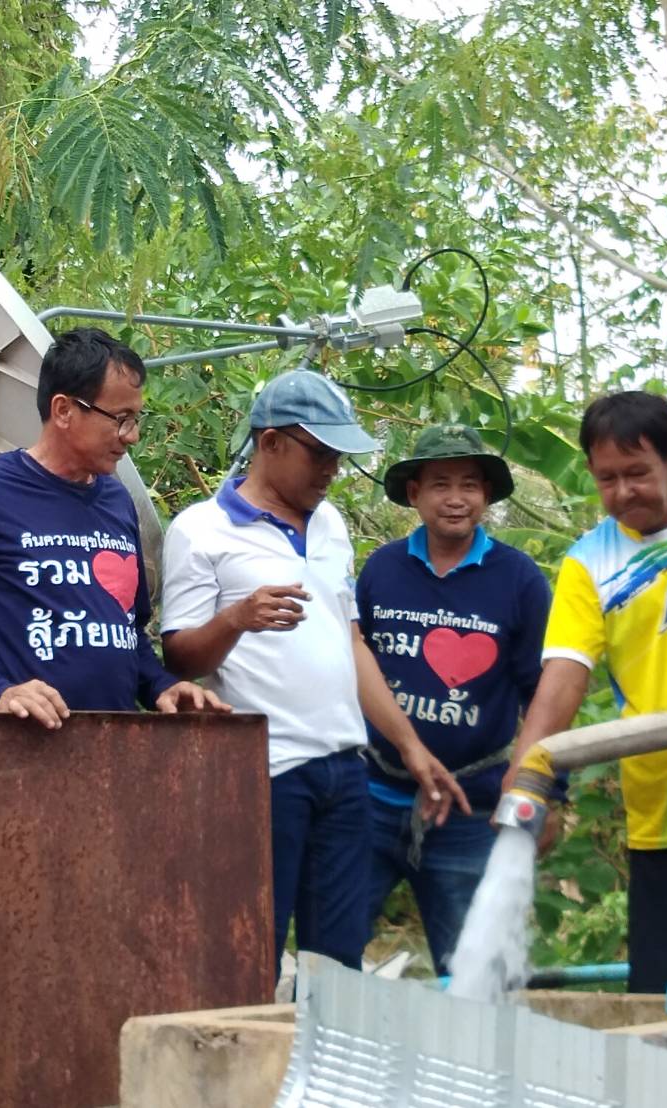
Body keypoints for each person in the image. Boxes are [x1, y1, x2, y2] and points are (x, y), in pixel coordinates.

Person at [159, 370, 468, 976]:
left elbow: (350, 643)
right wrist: (237, 618)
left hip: (344, 768)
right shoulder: (200, 530)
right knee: (253, 948)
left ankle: (324, 1043)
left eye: (338, 457)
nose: (331, 470)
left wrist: (410, 746)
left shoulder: (330, 525)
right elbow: (180, 659)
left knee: (337, 962)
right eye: (319, 453)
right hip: (263, 768)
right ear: (270, 442)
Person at [502, 390, 667, 993]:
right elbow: (563, 677)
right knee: (664, 1003)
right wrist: (525, 773)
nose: (622, 493)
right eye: (606, 479)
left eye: (637, 473)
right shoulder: (590, 563)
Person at [0, 328, 222, 724]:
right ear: (64, 410)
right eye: (121, 419)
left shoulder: (117, 501)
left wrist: (161, 686)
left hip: (116, 745)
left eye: (136, 419)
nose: (133, 436)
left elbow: (127, 630)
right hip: (21, 745)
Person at [357, 424, 552, 976]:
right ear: (414, 492)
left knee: (473, 972)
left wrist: (546, 790)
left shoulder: (519, 579)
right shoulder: (382, 570)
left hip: (472, 811)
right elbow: (354, 664)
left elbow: (543, 692)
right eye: (440, 484)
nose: (456, 498)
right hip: (374, 800)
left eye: (469, 484)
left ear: (486, 495)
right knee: (332, 951)